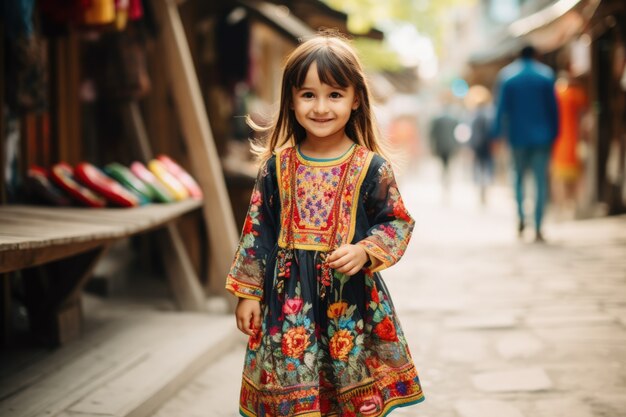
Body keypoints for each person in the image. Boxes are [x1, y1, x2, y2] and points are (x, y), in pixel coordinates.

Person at [225, 33, 424, 417]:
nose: (320, 107)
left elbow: (396, 222)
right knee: (292, 396)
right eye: (308, 95)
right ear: (291, 100)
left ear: (356, 100)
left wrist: (366, 249)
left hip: (350, 305)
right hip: (288, 306)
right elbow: (257, 231)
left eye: (334, 94)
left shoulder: (371, 167)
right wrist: (247, 293)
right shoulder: (276, 168)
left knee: (347, 400)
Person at [493, 45, 559, 242]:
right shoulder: (546, 75)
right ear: (536, 54)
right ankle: (538, 226)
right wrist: (556, 134)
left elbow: (501, 109)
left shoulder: (507, 77)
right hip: (542, 137)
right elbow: (554, 110)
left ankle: (521, 218)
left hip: (517, 136)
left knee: (519, 179)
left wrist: (496, 134)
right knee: (540, 181)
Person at [550, 71, 588, 217]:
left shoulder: (556, 94)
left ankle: (561, 206)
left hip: (558, 141)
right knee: (574, 177)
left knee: (559, 177)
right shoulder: (575, 94)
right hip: (573, 141)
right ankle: (572, 205)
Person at [466, 85, 495, 205]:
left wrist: (470, 146)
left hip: (477, 145)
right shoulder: (490, 114)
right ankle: (485, 187)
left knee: (478, 167)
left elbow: (472, 132)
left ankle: (481, 188)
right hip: (488, 144)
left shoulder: (474, 115)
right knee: (487, 167)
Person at [429, 101, 459, 189]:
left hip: (440, 145)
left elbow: (432, 133)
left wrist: (432, 145)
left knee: (443, 162)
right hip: (451, 145)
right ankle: (447, 175)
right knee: (448, 161)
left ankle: (445, 175)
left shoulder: (437, 119)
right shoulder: (454, 119)